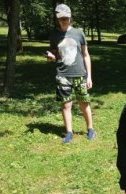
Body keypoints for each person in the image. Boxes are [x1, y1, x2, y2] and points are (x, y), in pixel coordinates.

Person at [45, 4, 96, 144]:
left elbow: (86, 55)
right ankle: (69, 132)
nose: (64, 21)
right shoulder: (55, 35)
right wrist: (51, 57)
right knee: (66, 105)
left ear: (70, 17)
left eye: (66, 18)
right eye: (61, 19)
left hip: (80, 74)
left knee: (84, 103)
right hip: (62, 75)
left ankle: (90, 129)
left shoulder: (79, 33)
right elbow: (55, 55)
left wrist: (89, 76)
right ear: (57, 19)